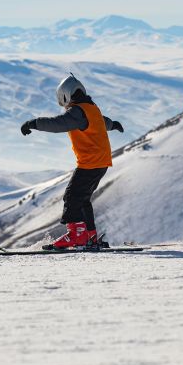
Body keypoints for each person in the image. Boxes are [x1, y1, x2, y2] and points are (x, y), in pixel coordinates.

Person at [20, 75, 124, 249]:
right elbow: (103, 122)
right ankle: (90, 237)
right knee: (83, 200)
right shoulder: (92, 108)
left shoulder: (77, 111)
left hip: (90, 163)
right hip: (101, 162)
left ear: (65, 96)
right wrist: (114, 124)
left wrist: (33, 123)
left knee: (71, 197)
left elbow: (59, 123)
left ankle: (77, 236)